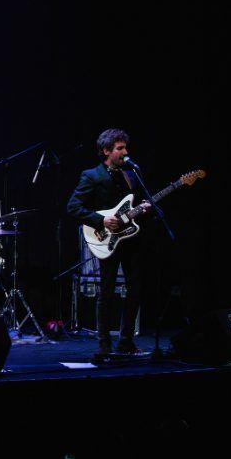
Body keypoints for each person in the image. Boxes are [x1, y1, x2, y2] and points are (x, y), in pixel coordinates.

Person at [66, 129, 147, 357]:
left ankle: (126, 341)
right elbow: (73, 207)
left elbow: (134, 204)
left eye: (125, 147)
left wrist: (145, 208)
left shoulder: (131, 174)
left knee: (135, 291)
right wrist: (102, 219)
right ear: (106, 151)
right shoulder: (92, 175)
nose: (125, 152)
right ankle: (103, 344)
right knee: (107, 291)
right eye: (120, 148)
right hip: (106, 239)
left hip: (131, 238)